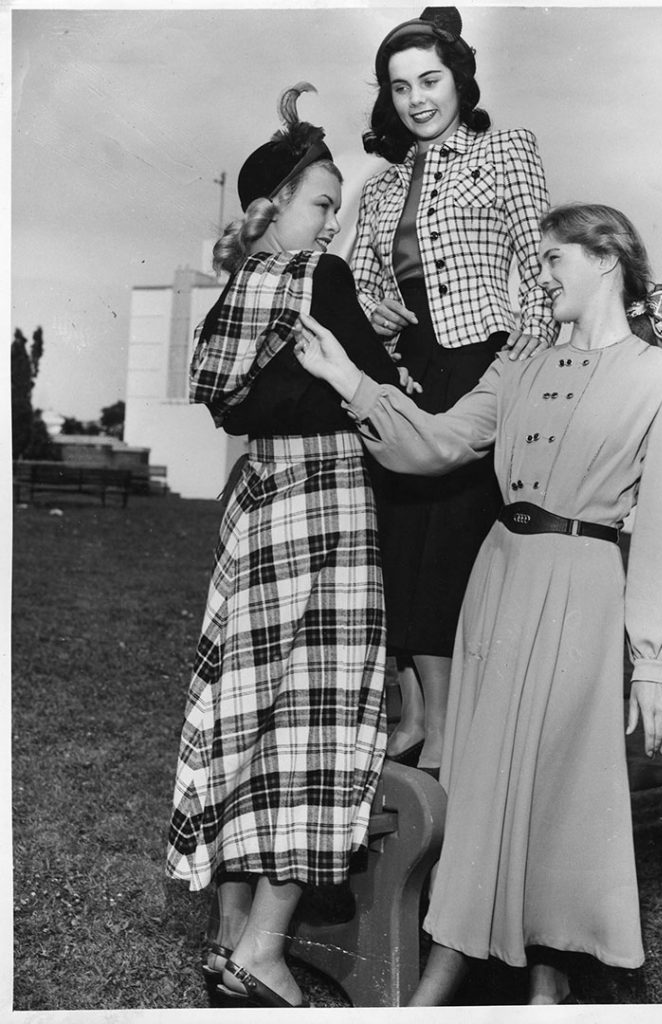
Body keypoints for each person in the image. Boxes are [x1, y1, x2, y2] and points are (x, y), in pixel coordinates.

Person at [294, 202, 662, 1005]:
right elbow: (435, 443)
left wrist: (653, 664)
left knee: (557, 781)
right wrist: (348, 380)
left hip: (583, 587)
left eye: (553, 258)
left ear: (604, 259)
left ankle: (544, 977)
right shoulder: (517, 366)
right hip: (497, 580)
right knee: (484, 777)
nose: (539, 274)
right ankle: (463, 952)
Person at [165, 83, 405, 1010]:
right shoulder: (323, 282)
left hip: (260, 507)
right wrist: (377, 356)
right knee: (316, 723)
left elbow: (235, 401)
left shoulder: (237, 295)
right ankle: (266, 948)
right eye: (320, 205)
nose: (331, 224)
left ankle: (227, 938)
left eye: (337, 211)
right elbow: (380, 391)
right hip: (331, 510)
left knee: (244, 715)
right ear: (271, 209)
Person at [350, 6, 558, 774]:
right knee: (400, 549)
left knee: (447, 555)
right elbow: (367, 296)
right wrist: (382, 344)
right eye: (398, 86)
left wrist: (517, 372)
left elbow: (541, 272)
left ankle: (447, 738)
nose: (415, 98)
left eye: (428, 79)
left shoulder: (505, 150)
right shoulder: (378, 188)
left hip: (483, 366)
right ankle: (420, 725)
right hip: (409, 381)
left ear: (459, 80)